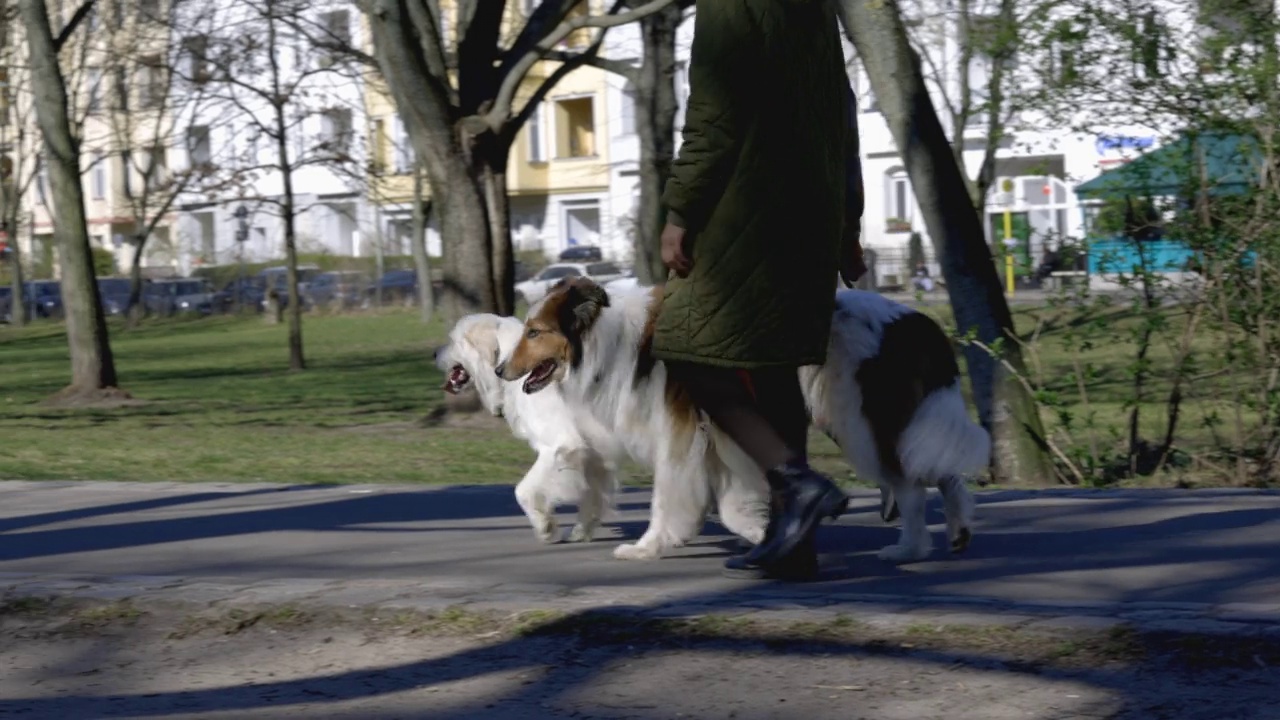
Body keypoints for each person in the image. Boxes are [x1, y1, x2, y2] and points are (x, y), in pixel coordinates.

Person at [652, 0, 865, 580]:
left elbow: (715, 114)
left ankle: (796, 484)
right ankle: (793, 544)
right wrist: (849, 220)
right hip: (811, 212)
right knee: (772, 369)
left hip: (748, 210)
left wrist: (681, 210)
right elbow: (840, 110)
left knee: (686, 349)